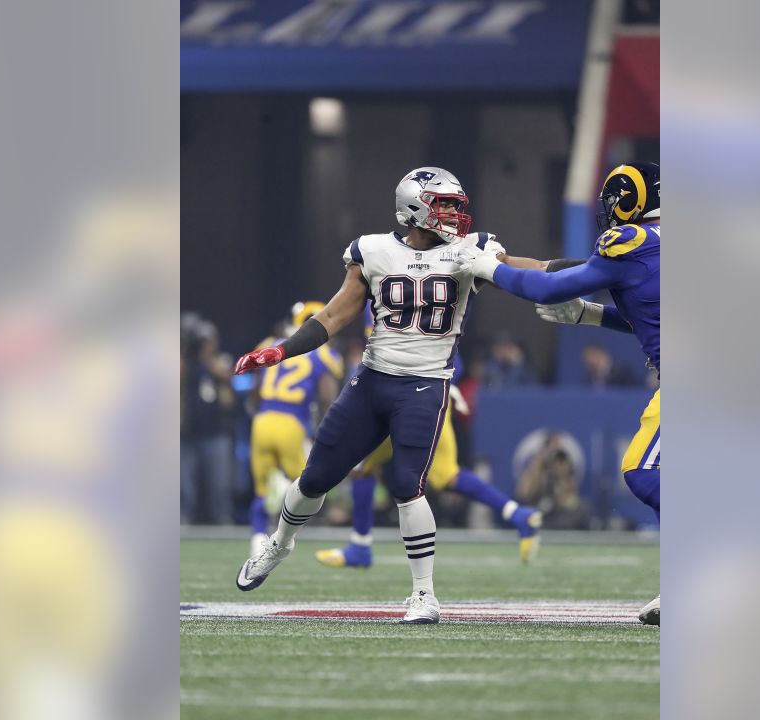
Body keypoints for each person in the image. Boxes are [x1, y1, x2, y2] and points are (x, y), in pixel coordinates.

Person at [231, 167, 548, 624]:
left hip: (425, 384)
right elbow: (335, 316)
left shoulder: (471, 250)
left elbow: (532, 270)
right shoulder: (374, 251)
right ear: (414, 208)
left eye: (456, 205)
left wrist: (595, 269)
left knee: (407, 485)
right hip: (372, 381)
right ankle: (279, 544)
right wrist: (281, 351)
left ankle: (424, 594)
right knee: (315, 478)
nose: (455, 214)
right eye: (445, 204)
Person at [458, 161, 661, 625]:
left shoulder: (628, 241)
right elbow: (647, 318)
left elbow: (549, 288)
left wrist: (487, 266)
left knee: (643, 472)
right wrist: (589, 315)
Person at [315, 347, 544, 570]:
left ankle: (360, 547)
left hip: (407, 402)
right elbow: (454, 358)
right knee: (447, 475)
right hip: (429, 398)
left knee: (361, 466)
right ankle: (518, 515)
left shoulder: (394, 315)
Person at [246, 301, 343, 556]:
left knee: (261, 488)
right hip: (291, 423)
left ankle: (258, 537)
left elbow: (256, 385)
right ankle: (284, 534)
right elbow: (327, 397)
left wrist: (257, 411)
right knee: (306, 484)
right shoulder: (322, 354)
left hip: (263, 420)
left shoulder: (269, 343)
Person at [181, 315, 235, 525]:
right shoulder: (184, 362)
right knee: (185, 483)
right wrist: (187, 352)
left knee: (219, 481)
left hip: (216, 430)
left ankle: (222, 517)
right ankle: (184, 517)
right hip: (187, 431)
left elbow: (227, 375)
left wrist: (206, 355)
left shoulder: (220, 359)